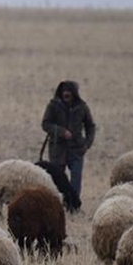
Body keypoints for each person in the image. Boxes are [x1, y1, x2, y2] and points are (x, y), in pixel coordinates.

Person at [40, 80, 95, 210]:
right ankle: (58, 205)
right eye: (64, 92)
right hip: (57, 149)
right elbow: (45, 124)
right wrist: (60, 131)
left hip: (76, 149)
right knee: (57, 178)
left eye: (69, 92)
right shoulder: (53, 106)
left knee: (76, 178)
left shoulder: (82, 107)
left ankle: (74, 206)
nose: (66, 95)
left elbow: (90, 126)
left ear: (74, 93)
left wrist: (87, 144)